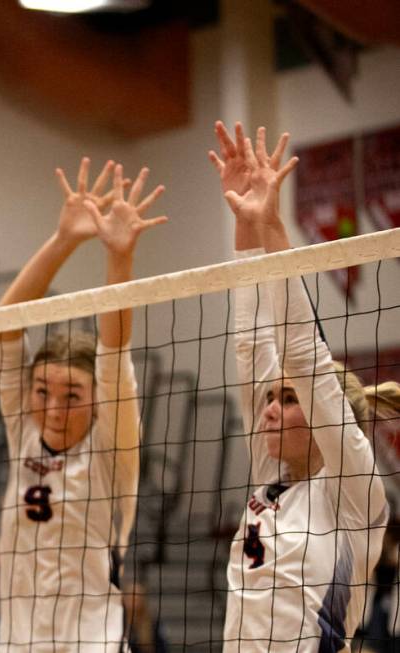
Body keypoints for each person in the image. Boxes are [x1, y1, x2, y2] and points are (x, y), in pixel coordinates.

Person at [211, 121, 388, 651]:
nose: (268, 409)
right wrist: (245, 225)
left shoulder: (352, 490)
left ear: (324, 416)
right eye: (271, 398)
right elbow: (250, 350)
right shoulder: (271, 478)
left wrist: (275, 233)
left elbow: (303, 359)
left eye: (287, 400)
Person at [0, 158, 166, 651]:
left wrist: (119, 258)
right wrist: (63, 240)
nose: (53, 409)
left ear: (96, 402)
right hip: (18, 643)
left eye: (72, 396)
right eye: (43, 391)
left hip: (93, 643)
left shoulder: (113, 442)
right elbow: (5, 324)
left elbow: (113, 348)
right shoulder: (21, 424)